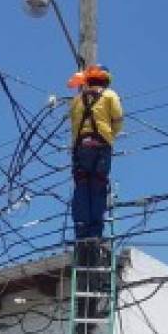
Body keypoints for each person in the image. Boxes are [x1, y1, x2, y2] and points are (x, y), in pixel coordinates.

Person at [68, 64, 123, 247]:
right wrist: (108, 137)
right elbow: (118, 121)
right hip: (100, 147)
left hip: (80, 149)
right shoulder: (110, 96)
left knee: (82, 188)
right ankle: (95, 234)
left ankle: (81, 231)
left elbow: (74, 126)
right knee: (98, 188)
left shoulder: (76, 100)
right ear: (105, 80)